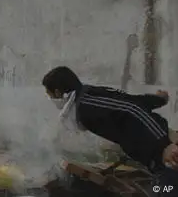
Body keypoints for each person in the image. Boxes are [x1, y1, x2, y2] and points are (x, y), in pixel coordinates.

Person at [42, 66, 178, 194]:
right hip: (158, 157)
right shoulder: (88, 97)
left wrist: (165, 145)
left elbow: (131, 109)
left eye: (50, 95)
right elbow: (130, 100)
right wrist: (157, 100)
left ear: (58, 92)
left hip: (167, 155)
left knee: (164, 190)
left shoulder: (86, 105)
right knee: (158, 190)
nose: (50, 99)